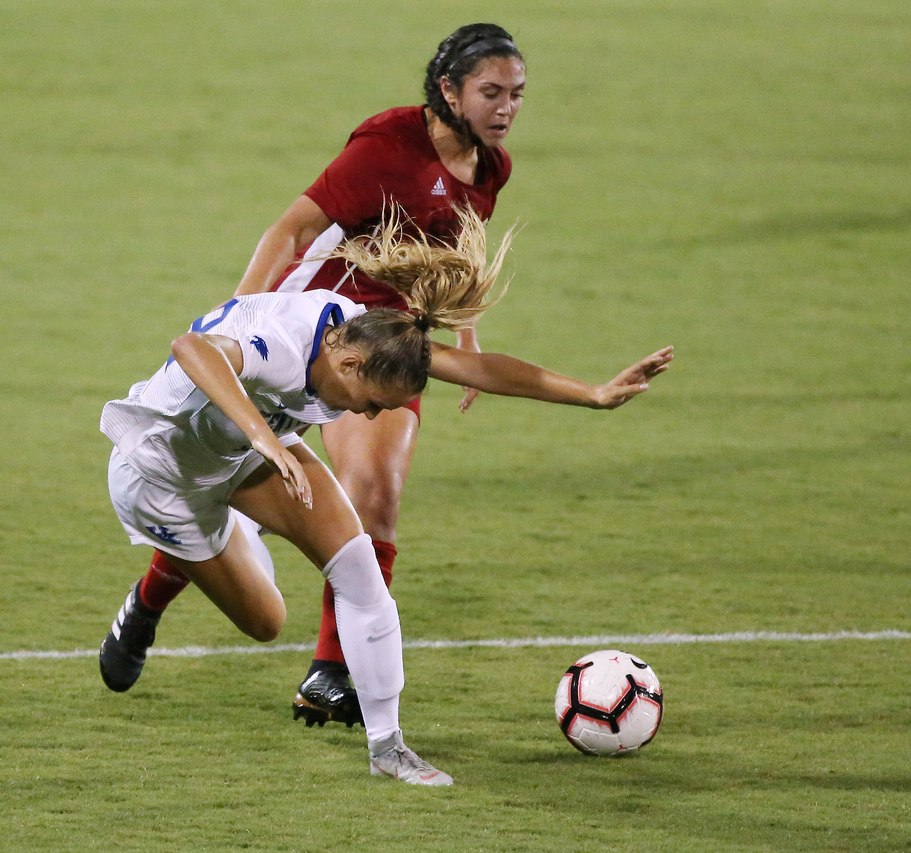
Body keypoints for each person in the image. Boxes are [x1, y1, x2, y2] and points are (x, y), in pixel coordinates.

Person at [96, 208, 674, 785]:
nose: (370, 416)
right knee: (266, 622)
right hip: (162, 476)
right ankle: (191, 563)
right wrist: (264, 439)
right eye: (373, 403)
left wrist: (593, 394)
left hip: (246, 448)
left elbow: (483, 369)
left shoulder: (373, 336)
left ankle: (388, 749)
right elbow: (193, 348)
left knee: (359, 570)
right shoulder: (282, 346)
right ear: (348, 364)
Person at [230, 22, 529, 727]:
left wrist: (467, 336)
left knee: (376, 492)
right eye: (491, 92)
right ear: (449, 89)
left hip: (389, 349)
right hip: (313, 336)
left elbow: (452, 255)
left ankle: (331, 673)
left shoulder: (491, 168)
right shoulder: (387, 145)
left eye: (516, 93)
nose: (506, 108)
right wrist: (238, 316)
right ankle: (148, 601)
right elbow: (293, 228)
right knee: (223, 484)